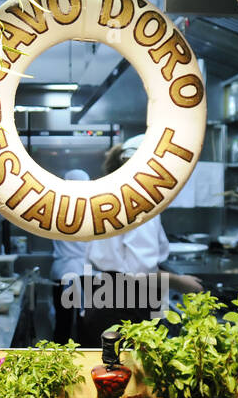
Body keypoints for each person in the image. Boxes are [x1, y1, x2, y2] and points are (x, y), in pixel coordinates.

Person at [70, 136, 203, 347]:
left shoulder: (108, 196)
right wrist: (180, 281)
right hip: (126, 310)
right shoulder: (141, 203)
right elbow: (141, 272)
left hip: (101, 303)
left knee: (103, 373)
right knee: (129, 378)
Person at [51, 169, 92, 342]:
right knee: (87, 324)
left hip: (62, 272)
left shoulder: (55, 208)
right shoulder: (94, 209)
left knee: (63, 323)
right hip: (86, 273)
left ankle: (58, 364)